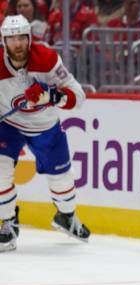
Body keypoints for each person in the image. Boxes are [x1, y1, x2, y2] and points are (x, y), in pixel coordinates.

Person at [0, 15, 90, 252]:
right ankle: (9, 223)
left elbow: (78, 95)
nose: (17, 44)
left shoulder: (47, 59)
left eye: (22, 37)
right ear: (3, 41)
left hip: (45, 126)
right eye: (11, 39)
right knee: (0, 171)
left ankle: (66, 216)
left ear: (29, 38)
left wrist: (53, 96)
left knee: (62, 178)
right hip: (8, 126)